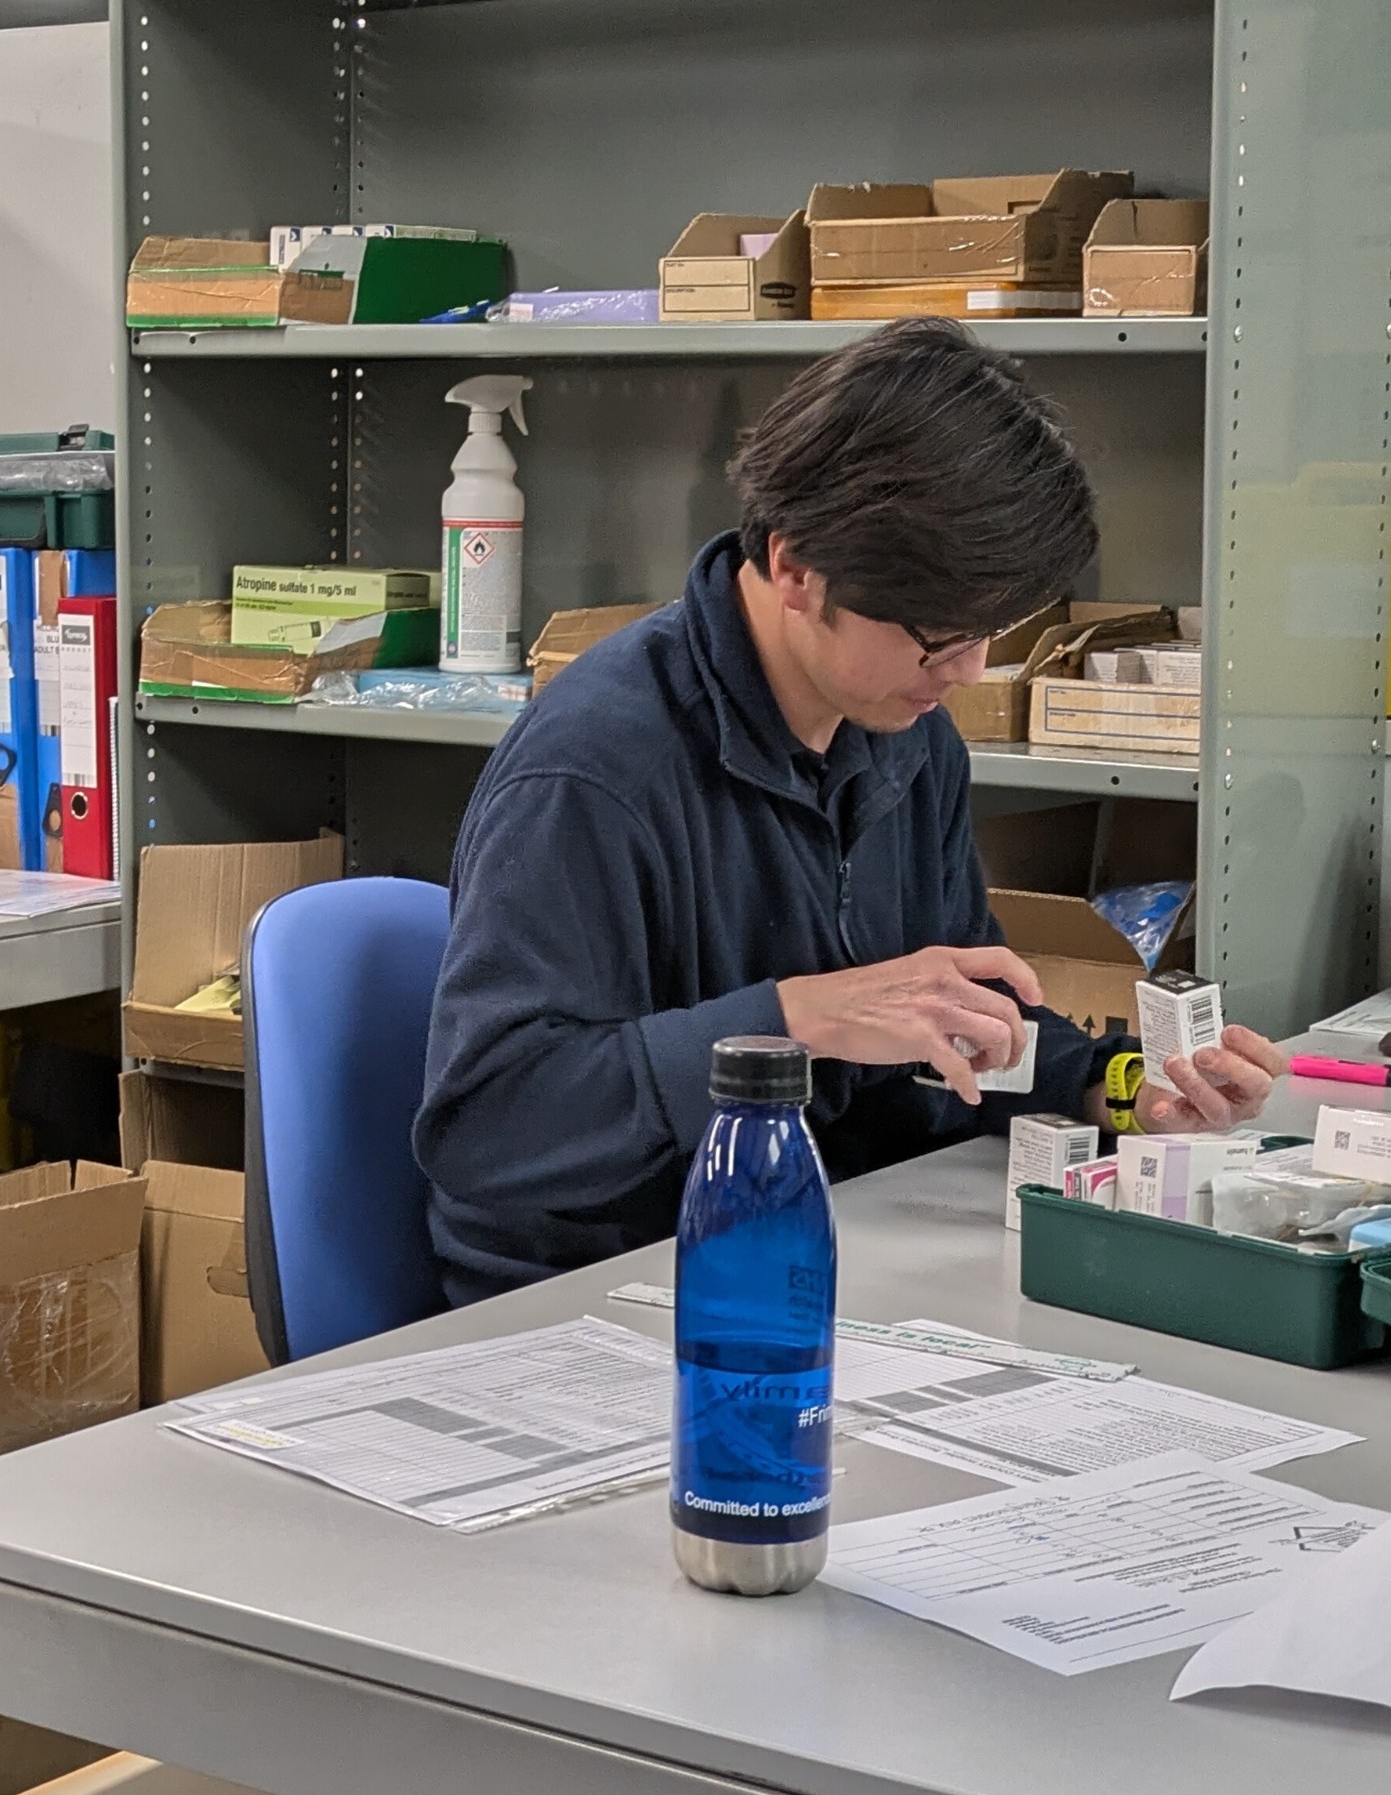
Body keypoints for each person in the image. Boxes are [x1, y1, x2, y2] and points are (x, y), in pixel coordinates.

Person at [415, 318, 1282, 1304]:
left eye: (991, 634)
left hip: (833, 1246)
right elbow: (489, 1129)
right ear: (795, 569)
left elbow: (963, 1035)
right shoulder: (593, 773)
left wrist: (1125, 1091)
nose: (965, 674)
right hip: (605, 1296)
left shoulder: (904, 735)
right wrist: (797, 1021)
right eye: (938, 637)